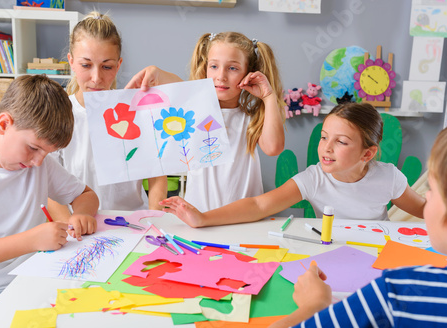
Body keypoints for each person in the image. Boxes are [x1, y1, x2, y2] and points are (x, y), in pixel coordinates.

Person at [265, 119, 447, 328]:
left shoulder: (394, 294)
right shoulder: (314, 177)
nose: (427, 198)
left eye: (431, 189)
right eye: (323, 137)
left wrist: (315, 304)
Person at [0, 75, 99, 328]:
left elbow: (86, 195)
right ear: (4, 124)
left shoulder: (39, 165)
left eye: (46, 153)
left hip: (36, 282)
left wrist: (80, 215)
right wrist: (30, 241)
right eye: (34, 148)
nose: (38, 161)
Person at [160, 102, 426, 227]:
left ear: (367, 155)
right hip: (333, 251)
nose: (326, 148)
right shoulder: (315, 178)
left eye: (341, 142)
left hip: (375, 253)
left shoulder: (388, 177)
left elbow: (425, 211)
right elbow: (259, 205)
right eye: (324, 138)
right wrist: (203, 218)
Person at [130, 31, 285, 212]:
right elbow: (177, 85)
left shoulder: (250, 119)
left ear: (249, 73)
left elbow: (273, 148)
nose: (221, 76)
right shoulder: (196, 111)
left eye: (232, 68)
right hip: (198, 218)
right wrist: (156, 71)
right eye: (214, 66)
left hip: (244, 220)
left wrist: (268, 96)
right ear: (205, 68)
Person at [48, 11, 168, 222]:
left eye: (107, 66)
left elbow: (157, 174)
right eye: (86, 65)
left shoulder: (136, 111)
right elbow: (47, 184)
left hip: (131, 223)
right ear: (71, 62)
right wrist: (70, 224)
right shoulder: (58, 114)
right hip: (76, 225)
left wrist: (155, 219)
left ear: (118, 65)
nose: (96, 78)